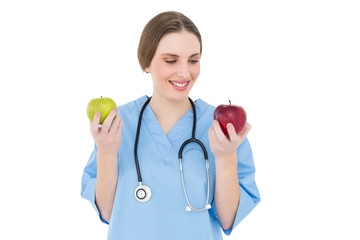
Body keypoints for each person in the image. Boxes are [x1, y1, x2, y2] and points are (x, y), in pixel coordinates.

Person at [81, 11, 260, 240]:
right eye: (171, 60)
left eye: (193, 60)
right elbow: (107, 213)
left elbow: (228, 220)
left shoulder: (222, 130)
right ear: (146, 62)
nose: (185, 72)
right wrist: (106, 152)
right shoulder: (116, 124)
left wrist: (225, 158)